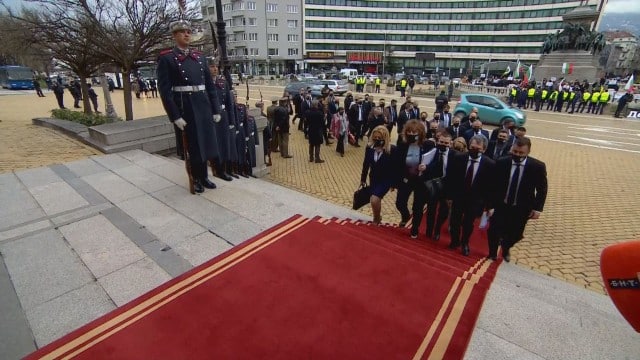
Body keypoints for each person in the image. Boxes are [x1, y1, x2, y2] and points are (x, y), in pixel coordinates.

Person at [157, 19, 220, 194]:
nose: (187, 34)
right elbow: (165, 91)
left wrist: (215, 109)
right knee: (193, 146)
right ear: (174, 35)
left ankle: (205, 176)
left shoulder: (199, 57)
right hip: (186, 106)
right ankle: (196, 178)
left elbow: (210, 85)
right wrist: (175, 116)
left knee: (207, 143)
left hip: (203, 104)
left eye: (188, 31)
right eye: (182, 32)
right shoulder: (167, 58)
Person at [487, 137, 548, 262]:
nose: (517, 155)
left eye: (521, 153)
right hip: (501, 204)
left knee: (516, 234)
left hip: (522, 207)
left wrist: (537, 208)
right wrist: (490, 205)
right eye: (515, 152)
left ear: (528, 152)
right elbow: (492, 185)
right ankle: (492, 253)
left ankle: (506, 246)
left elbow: (542, 189)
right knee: (494, 230)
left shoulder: (537, 167)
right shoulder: (501, 162)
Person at [447, 135, 495, 256]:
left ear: (484, 150)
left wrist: (489, 206)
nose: (474, 150)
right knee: (454, 221)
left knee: (468, 223)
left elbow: (490, 187)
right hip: (458, 196)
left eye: (478, 149)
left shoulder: (489, 164)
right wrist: (449, 196)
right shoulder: (459, 158)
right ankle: (455, 240)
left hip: (475, 200)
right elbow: (451, 178)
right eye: (472, 147)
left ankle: (465, 243)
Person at [392, 119, 435, 233]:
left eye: (414, 132)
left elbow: (435, 162)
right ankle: (406, 217)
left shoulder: (428, 145)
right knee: (400, 203)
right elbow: (397, 164)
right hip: (406, 179)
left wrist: (427, 167)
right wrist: (395, 182)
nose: (411, 134)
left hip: (421, 181)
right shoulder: (402, 145)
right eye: (409, 132)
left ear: (420, 133)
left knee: (418, 206)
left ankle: (414, 228)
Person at [423, 132, 457, 240]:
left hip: (446, 187)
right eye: (441, 142)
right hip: (433, 185)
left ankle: (437, 229)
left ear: (450, 143)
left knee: (444, 211)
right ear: (438, 141)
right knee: (431, 209)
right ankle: (429, 231)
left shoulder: (455, 155)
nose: (443, 144)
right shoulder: (433, 152)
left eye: (446, 143)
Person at [360, 126, 395, 225]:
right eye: (375, 137)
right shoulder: (369, 148)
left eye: (380, 138)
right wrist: (363, 179)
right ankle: (377, 217)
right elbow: (365, 164)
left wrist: (394, 183)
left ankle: (376, 219)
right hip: (374, 178)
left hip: (386, 180)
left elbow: (396, 167)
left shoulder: (391, 150)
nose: (377, 140)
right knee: (376, 199)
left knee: (374, 199)